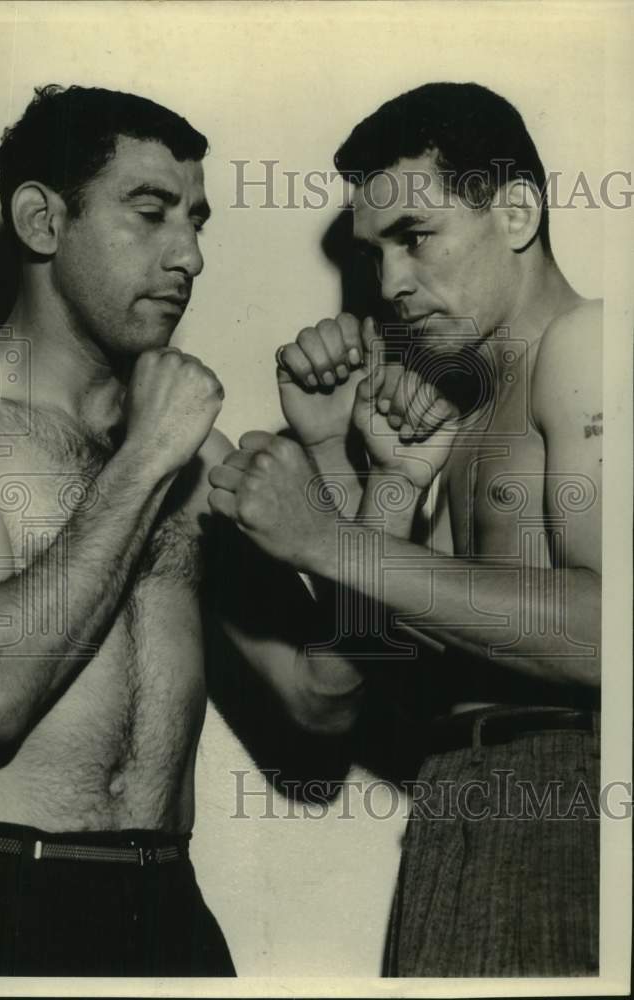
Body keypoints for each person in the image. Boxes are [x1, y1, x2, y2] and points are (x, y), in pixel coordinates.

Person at [0, 84, 365, 977]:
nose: (188, 254)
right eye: (149, 213)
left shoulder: (196, 445)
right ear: (40, 220)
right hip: (0, 892)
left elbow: (321, 701)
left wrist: (338, 464)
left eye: (197, 220)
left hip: (167, 904)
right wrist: (147, 456)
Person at [208, 82, 602, 976]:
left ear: (515, 211)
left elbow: (609, 633)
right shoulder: (466, 407)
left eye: (414, 237)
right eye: (372, 252)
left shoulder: (588, 347)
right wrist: (357, 472)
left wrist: (322, 538)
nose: (387, 285)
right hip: (456, 801)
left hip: (568, 799)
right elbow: (374, 681)